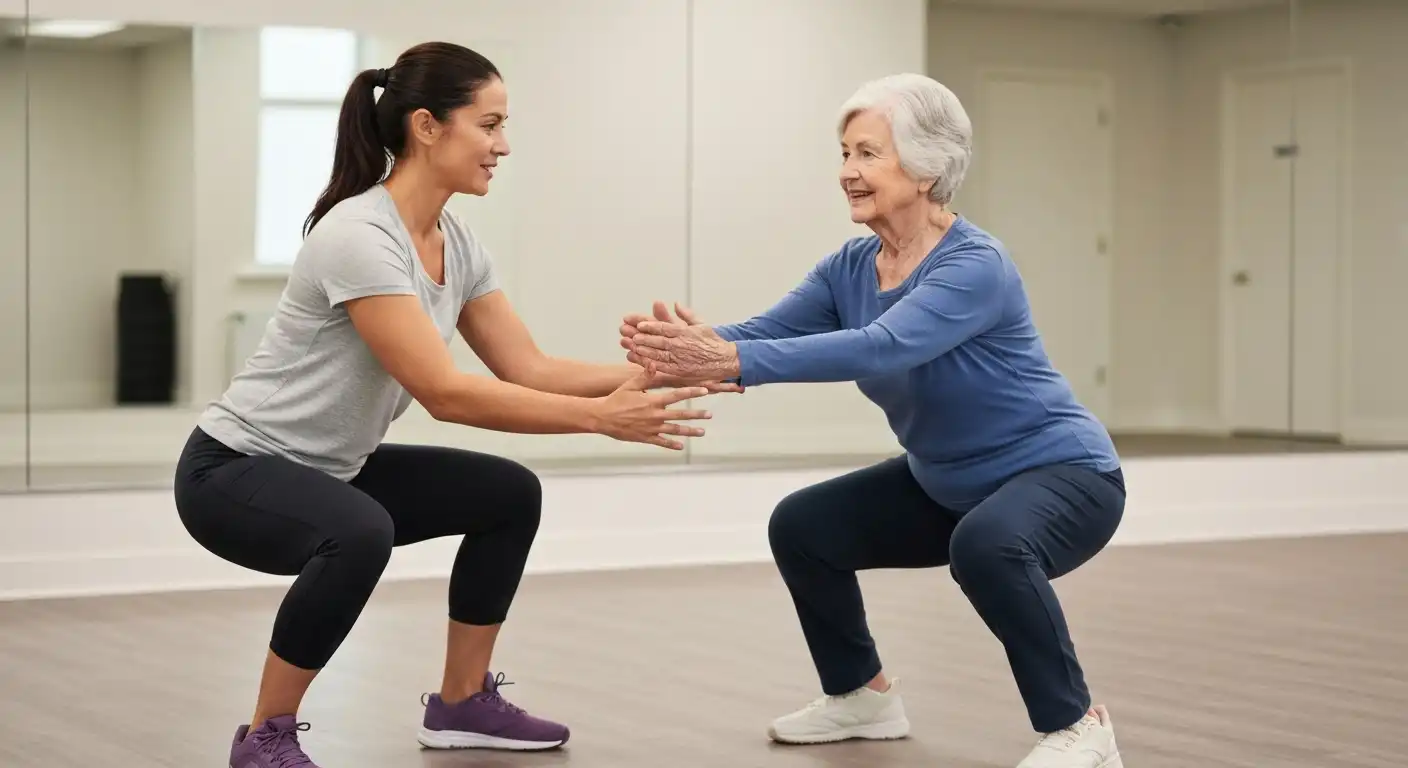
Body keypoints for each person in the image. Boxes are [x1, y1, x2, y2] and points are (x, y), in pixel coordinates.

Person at [174, 42, 729, 768]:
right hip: (231, 471)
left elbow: (526, 367)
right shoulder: (358, 236)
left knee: (507, 494)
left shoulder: (455, 244)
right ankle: (264, 737)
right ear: (428, 127)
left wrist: (659, 372)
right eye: (489, 125)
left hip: (331, 468)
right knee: (359, 531)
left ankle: (462, 702)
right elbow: (443, 391)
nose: (504, 145)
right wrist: (601, 418)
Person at [620, 73, 1126, 768]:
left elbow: (881, 345)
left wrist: (728, 359)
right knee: (805, 526)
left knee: (987, 546)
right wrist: (684, 348)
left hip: (1064, 476)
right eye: (844, 153)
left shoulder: (974, 265)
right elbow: (763, 334)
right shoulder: (851, 268)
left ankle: (1080, 728)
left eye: (868, 154)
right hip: (946, 484)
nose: (848, 172)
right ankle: (862, 696)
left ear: (926, 169)